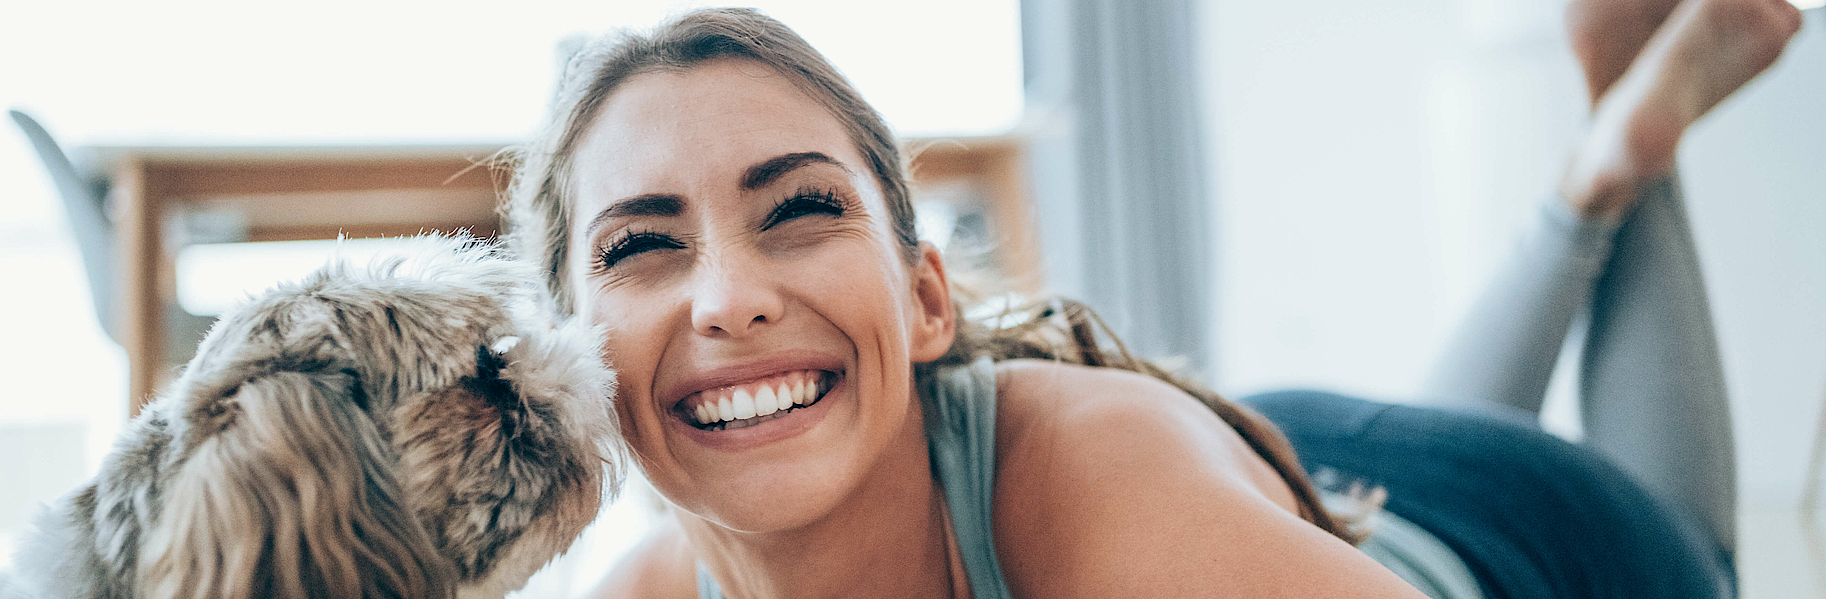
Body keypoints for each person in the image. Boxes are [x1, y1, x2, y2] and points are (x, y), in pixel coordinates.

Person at [498, 0, 1803, 597]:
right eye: (640, 247)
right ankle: (1595, 170)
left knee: (1702, 561)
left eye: (799, 209)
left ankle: (1626, 162)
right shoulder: (651, 592)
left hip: (1511, 535)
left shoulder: (1093, 482)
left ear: (929, 298)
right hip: (1302, 474)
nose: (728, 297)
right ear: (567, 350)